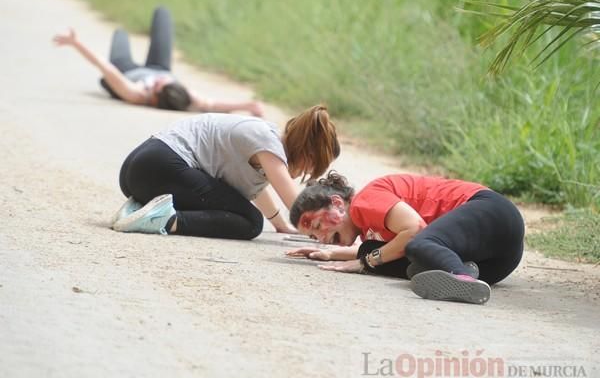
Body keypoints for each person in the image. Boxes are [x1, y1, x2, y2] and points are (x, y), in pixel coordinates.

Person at [286, 172, 525, 305]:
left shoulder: (364, 201)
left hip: (493, 213)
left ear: (337, 203)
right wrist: (332, 254)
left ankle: (462, 278)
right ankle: (463, 273)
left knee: (413, 247)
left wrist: (366, 262)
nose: (321, 237)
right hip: (497, 262)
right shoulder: (368, 226)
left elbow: (415, 230)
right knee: (381, 253)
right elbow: (389, 248)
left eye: (317, 225)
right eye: (314, 236)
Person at [111, 105, 340, 240]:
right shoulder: (267, 143)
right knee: (250, 222)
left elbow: (250, 192)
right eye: (313, 167)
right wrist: (331, 231)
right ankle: (163, 219)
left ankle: (142, 207)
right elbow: (300, 207)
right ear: (309, 155)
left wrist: (281, 225)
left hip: (141, 169)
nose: (307, 172)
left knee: (238, 209)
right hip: (161, 165)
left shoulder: (265, 141)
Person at [53, 6, 263, 115]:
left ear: (153, 97)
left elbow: (104, 67)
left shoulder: (135, 94)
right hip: (157, 65)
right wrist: (249, 105)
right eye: (165, 81)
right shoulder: (182, 96)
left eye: (158, 84)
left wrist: (75, 43)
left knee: (120, 34)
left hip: (125, 70)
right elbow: (212, 105)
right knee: (162, 13)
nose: (157, 80)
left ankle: (122, 33)